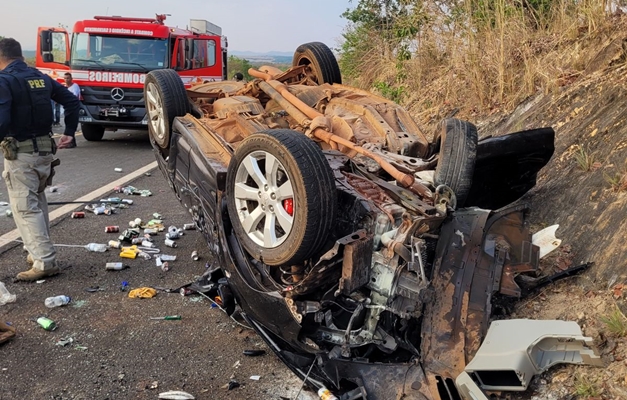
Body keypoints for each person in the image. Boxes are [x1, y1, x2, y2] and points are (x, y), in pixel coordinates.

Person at [0, 38, 80, 281]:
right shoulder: (41, 77)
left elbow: (2, 119)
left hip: (21, 151)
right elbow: (71, 102)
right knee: (37, 199)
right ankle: (35, 251)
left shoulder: (4, 80)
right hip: (45, 149)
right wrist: (69, 133)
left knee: (25, 207)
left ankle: (44, 262)